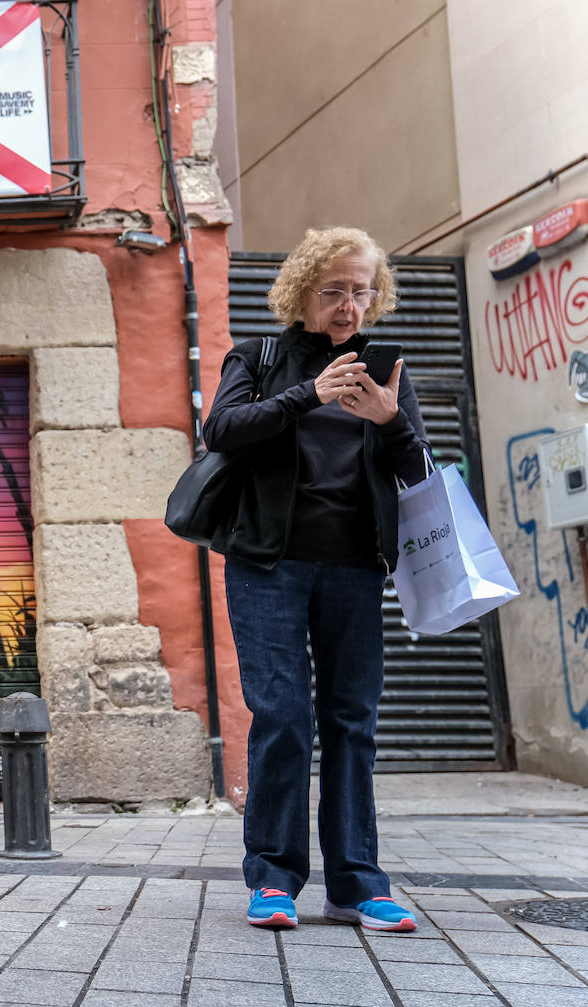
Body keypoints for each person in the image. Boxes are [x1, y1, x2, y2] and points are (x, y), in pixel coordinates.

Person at [202, 226, 430, 932]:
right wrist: (307, 394)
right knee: (281, 717)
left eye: (362, 291)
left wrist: (391, 423)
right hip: (267, 562)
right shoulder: (261, 357)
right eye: (334, 291)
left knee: (352, 721)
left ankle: (358, 883)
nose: (349, 306)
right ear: (302, 291)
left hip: (356, 566)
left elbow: (417, 467)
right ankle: (272, 878)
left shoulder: (385, 371)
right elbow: (222, 430)